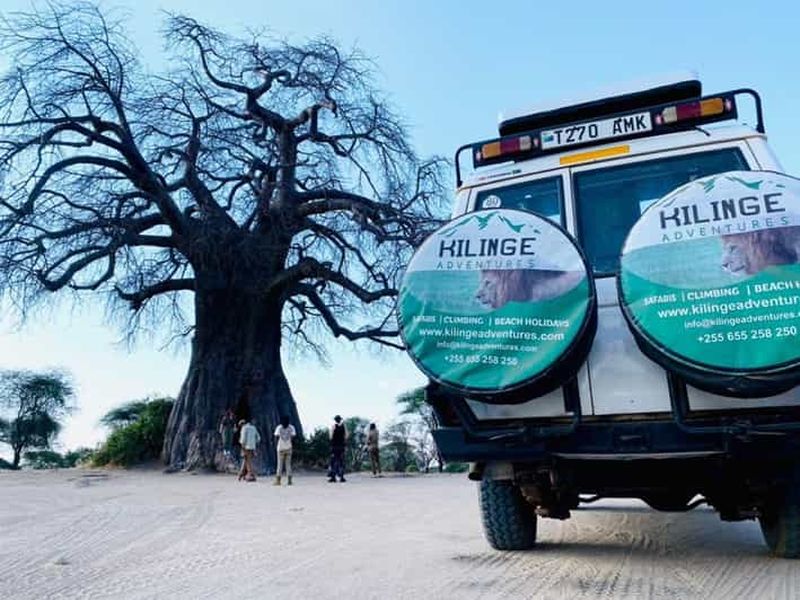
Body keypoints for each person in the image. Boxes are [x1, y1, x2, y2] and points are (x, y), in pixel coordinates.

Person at [273, 415, 296, 486]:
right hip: (289, 447)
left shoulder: (279, 427)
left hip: (280, 448)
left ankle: (278, 481)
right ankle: (289, 480)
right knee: (288, 465)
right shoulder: (291, 428)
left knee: (279, 465)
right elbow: (293, 437)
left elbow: (276, 437)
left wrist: (276, 445)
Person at [238, 418, 261, 482]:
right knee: (246, 460)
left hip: (246, 447)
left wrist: (242, 446)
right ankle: (241, 473)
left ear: (242, 424)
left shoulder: (244, 428)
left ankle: (250, 474)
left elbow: (243, 439)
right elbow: (258, 438)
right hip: (252, 447)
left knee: (248, 461)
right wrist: (254, 442)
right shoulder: (253, 427)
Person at [328, 415, 347, 483]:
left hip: (334, 446)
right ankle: (341, 477)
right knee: (341, 461)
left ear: (335, 420)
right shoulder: (344, 427)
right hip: (341, 446)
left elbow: (330, 436)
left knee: (333, 461)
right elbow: (346, 436)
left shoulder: (333, 426)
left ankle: (333, 477)